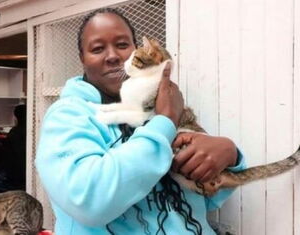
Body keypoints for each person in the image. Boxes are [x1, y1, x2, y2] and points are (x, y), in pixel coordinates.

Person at [35, 8, 246, 235]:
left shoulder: (157, 105)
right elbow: (90, 201)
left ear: (136, 50)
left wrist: (229, 155)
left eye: (123, 45)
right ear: (82, 60)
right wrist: (165, 121)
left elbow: (204, 200)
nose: (113, 56)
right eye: (97, 49)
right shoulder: (68, 116)